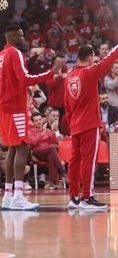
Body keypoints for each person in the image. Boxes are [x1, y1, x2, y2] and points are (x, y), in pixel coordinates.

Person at [64, 20, 118, 210]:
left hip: (75, 125)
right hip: (89, 124)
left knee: (74, 161)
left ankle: (74, 198)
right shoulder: (90, 72)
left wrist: (70, 123)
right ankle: (87, 197)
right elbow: (110, 58)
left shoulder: (69, 78)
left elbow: (67, 105)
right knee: (88, 160)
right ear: (91, 57)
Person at [0, 25, 63, 210]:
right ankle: (18, 195)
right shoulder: (15, 54)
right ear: (11, 37)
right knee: (22, 148)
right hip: (15, 107)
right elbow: (25, 79)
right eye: (20, 35)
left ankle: (9, 196)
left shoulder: (2, 56)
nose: (23, 37)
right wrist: (52, 72)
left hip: (4, 108)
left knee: (13, 148)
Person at [29, 112, 66, 190]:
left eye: (40, 120)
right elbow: (33, 143)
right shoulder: (31, 131)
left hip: (49, 152)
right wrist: (42, 133)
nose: (39, 122)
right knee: (51, 148)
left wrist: (54, 131)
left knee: (50, 156)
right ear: (32, 123)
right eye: (36, 121)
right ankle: (61, 170)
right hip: (38, 153)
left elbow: (56, 143)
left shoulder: (48, 131)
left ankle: (53, 181)